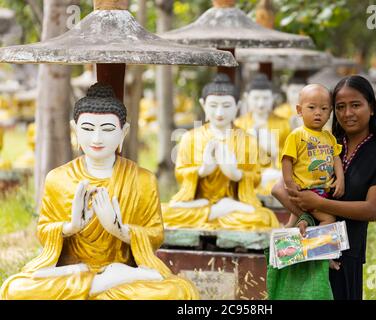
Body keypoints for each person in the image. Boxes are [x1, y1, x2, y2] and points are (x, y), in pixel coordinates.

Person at [0, 83, 199, 300]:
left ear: (124, 132)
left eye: (107, 129)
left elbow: (155, 235)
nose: (96, 139)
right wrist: (71, 226)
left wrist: (120, 230)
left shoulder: (142, 180)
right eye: (87, 129)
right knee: (15, 289)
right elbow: (44, 231)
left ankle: (102, 282)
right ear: (74, 129)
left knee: (180, 292)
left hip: (123, 270)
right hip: (77, 271)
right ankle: (101, 284)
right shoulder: (58, 179)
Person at [272, 75, 376, 300]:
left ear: (371, 108)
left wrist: (319, 204)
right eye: (341, 107)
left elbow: (371, 209)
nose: (347, 113)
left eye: (356, 105)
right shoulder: (323, 143)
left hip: (345, 257)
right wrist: (306, 215)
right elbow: (278, 188)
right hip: (306, 250)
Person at [161, 74, 279, 231]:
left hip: (234, 202)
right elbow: (181, 174)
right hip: (199, 202)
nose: (219, 113)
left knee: (263, 218)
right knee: (162, 213)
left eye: (226, 106)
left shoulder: (248, 140)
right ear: (203, 105)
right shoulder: (190, 138)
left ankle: (219, 210)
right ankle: (218, 211)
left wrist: (236, 174)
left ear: (237, 106)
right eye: (213, 105)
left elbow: (256, 178)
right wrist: (203, 170)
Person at [281, 84, 345, 228]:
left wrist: (340, 179)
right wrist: (289, 182)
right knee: (329, 219)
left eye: (323, 109)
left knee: (294, 222)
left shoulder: (329, 137)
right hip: (305, 189)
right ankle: (321, 246)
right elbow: (287, 159)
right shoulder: (297, 135)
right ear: (299, 110)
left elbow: (336, 158)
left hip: (322, 189)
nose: (318, 113)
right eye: (311, 108)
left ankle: (295, 234)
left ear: (330, 113)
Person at [234, 73, 290, 197]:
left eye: (265, 98)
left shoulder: (284, 123)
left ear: (272, 98)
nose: (261, 104)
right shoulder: (239, 124)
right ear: (247, 97)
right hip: (248, 174)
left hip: (275, 174)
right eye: (256, 98)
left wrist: (275, 150)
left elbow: (293, 156)